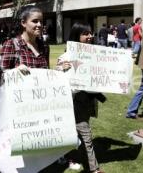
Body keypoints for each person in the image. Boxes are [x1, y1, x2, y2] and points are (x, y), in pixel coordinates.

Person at [56, 22, 105, 173]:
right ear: (76, 36)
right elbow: (56, 78)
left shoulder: (95, 54)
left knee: (75, 132)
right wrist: (60, 68)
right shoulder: (66, 57)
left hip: (87, 101)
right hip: (73, 102)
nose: (90, 36)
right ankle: (94, 169)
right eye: (85, 34)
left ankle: (64, 155)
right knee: (86, 134)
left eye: (90, 33)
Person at [0, 5, 48, 71]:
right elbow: (1, 73)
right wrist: (16, 71)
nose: (39, 25)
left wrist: (61, 68)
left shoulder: (44, 46)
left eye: (41, 21)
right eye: (35, 21)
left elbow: (47, 74)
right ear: (23, 23)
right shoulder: (11, 44)